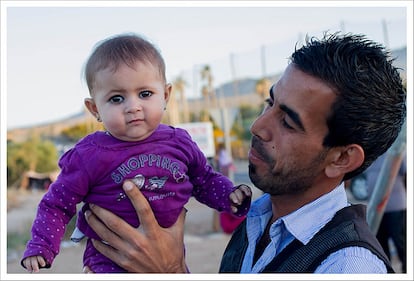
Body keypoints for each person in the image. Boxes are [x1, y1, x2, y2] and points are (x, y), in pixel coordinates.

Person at [83, 32, 406, 273]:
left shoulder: (347, 267)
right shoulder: (257, 218)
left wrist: (170, 272)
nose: (258, 126)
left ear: (341, 159)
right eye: (270, 103)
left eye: (288, 122)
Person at [21, 33, 252, 273]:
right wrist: (41, 245)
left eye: (144, 94)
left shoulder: (179, 143)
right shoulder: (88, 156)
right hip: (109, 260)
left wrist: (230, 195)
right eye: (117, 98)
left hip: (168, 255)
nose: (133, 107)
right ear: (94, 109)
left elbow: (203, 179)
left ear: (165, 95)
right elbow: (56, 204)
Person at [364, 153, 407, 273]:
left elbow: (407, 175)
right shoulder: (371, 152)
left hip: (396, 207)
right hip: (375, 210)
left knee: (401, 244)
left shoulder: (397, 151)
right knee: (380, 247)